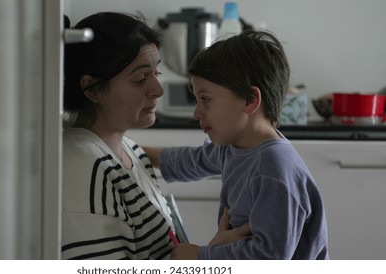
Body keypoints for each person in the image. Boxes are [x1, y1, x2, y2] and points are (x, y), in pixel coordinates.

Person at [60, 12, 250, 260]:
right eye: (140, 79)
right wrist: (208, 256)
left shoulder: (130, 150)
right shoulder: (83, 169)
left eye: (156, 74)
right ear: (91, 89)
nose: (158, 90)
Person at [144, 30, 329, 260]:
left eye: (206, 99)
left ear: (250, 100)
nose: (197, 112)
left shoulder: (274, 170)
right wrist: (138, 151)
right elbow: (192, 161)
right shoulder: (233, 146)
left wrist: (202, 257)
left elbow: (270, 259)